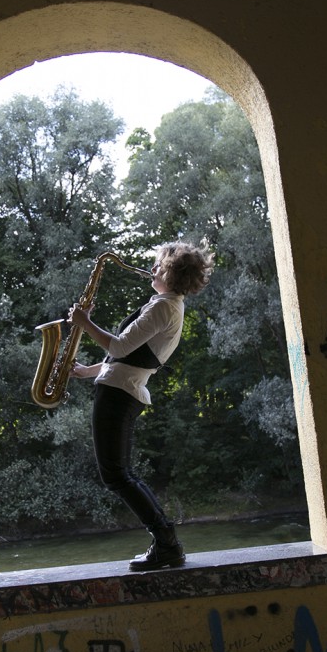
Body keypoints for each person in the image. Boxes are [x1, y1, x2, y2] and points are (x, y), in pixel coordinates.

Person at [69, 241, 214, 571]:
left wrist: (83, 322)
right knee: (119, 475)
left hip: (119, 394)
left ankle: (167, 543)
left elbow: (119, 348)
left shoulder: (163, 307)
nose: (150, 269)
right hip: (122, 387)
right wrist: (89, 371)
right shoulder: (166, 305)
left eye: (156, 265)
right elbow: (132, 359)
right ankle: (166, 543)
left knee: (117, 476)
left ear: (169, 273)